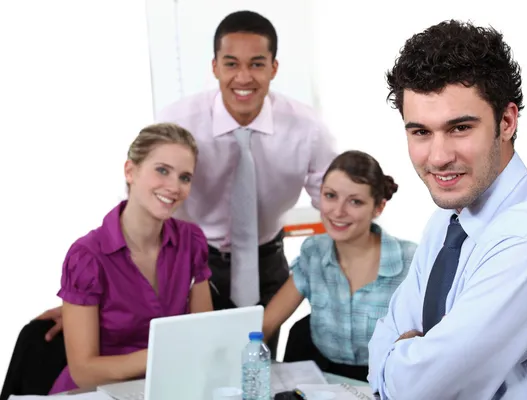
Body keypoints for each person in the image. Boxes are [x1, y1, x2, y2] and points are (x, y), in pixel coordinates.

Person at [35, 10, 336, 356]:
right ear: (214, 67)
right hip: (188, 263)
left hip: (266, 261)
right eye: (231, 63)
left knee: (256, 367)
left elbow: (337, 207)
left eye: (256, 64)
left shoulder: (307, 129)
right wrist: (87, 307)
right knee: (195, 364)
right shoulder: (179, 120)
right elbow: (138, 203)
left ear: (274, 68)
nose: (243, 77)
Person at [367, 20, 527, 399]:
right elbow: (382, 343)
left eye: (459, 128)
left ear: (506, 122)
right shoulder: (447, 220)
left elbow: (419, 389)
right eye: (421, 132)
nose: (439, 158)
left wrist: (405, 360)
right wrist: (403, 357)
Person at [47, 123, 213, 394]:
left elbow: (205, 333)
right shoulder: (87, 257)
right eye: (162, 170)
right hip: (97, 393)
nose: (174, 187)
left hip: (167, 388)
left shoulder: (191, 241)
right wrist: (161, 356)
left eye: (185, 177)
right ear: (130, 171)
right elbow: (84, 372)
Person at [262, 150, 417, 381]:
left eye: (355, 201)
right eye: (330, 196)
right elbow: (265, 325)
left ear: (378, 208)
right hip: (322, 381)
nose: (338, 211)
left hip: (386, 383)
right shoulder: (314, 252)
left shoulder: (410, 261)